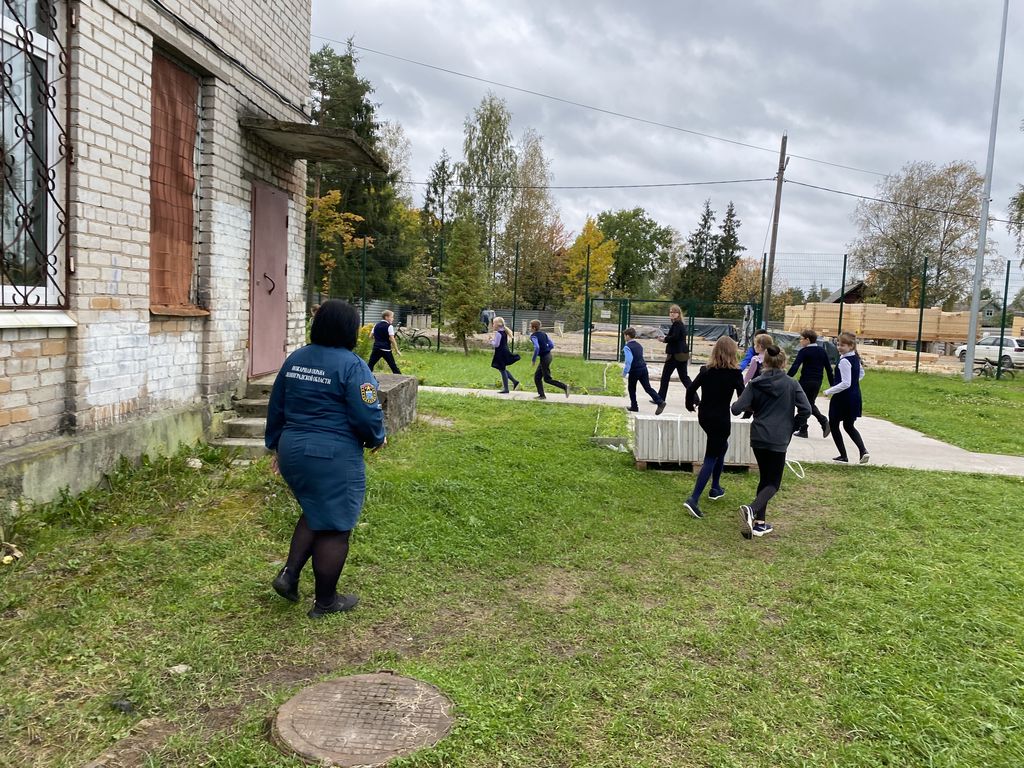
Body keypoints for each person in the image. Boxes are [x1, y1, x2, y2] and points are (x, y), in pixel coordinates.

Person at [265, 300, 387, 618]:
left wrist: (276, 447)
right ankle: (326, 601)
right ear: (349, 329)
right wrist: (377, 436)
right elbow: (366, 410)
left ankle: (289, 576)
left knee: (316, 508)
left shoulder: (296, 359)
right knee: (336, 526)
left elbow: (276, 405)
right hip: (331, 454)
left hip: (293, 448)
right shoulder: (353, 365)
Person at [731, 342, 811, 538]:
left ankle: (759, 523)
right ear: (783, 362)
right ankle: (751, 509)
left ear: (764, 362)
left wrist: (754, 408)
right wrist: (793, 425)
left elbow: (736, 408)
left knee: (765, 479)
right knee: (773, 483)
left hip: (758, 436)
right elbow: (806, 410)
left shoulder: (755, 383)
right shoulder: (792, 384)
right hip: (779, 437)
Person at [682, 336, 745, 519]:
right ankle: (693, 499)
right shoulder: (734, 374)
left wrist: (690, 404)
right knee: (711, 456)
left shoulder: (706, 370)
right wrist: (743, 410)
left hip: (705, 416)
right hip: (721, 419)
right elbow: (742, 398)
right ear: (733, 352)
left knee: (721, 447)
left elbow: (690, 388)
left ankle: (716, 488)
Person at [823, 332, 870, 464]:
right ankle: (863, 451)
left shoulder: (844, 361)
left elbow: (845, 383)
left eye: (842, 345)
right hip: (855, 396)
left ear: (851, 346)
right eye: (838, 344)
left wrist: (829, 391)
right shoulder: (855, 358)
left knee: (833, 424)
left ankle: (843, 455)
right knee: (849, 425)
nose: (839, 347)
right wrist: (855, 382)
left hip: (842, 398)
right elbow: (861, 373)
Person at [787, 329, 834, 438]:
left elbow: (795, 366)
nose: (800, 341)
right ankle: (804, 429)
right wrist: (832, 383)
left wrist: (786, 378)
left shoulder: (804, 351)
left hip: (806, 381)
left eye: (801, 339)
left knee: (804, 404)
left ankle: (822, 421)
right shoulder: (822, 351)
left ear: (807, 339)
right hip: (817, 381)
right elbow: (828, 368)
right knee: (809, 403)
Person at [623, 327, 666, 415]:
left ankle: (634, 406)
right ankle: (660, 401)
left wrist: (624, 373)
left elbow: (628, 361)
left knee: (631, 388)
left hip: (634, 370)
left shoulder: (627, 347)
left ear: (627, 336)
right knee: (647, 388)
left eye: (625, 335)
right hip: (643, 368)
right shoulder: (639, 345)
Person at [657, 304, 693, 402]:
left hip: (675, 355)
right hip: (682, 354)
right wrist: (665, 339)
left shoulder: (677, 324)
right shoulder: (679, 324)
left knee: (665, 377)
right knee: (684, 377)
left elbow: (675, 337)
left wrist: (664, 339)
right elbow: (675, 337)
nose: (672, 314)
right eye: (671, 312)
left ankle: (660, 398)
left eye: (675, 312)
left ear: (678, 314)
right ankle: (695, 399)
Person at [529, 319, 569, 399]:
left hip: (544, 358)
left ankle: (565, 387)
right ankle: (542, 395)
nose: (529, 328)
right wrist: (546, 350)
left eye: (530, 326)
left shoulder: (533, 336)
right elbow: (551, 344)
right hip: (549, 356)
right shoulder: (544, 334)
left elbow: (536, 347)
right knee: (537, 377)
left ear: (533, 328)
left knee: (547, 379)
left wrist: (533, 360)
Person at [490, 316, 521, 393]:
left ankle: (506, 389)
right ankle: (515, 382)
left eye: (493, 323)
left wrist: (491, 340)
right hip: (504, 351)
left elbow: (496, 344)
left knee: (502, 370)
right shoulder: (504, 331)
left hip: (500, 353)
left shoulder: (498, 333)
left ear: (498, 325)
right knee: (502, 369)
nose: (492, 325)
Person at [367, 310, 401, 374]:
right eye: (392, 317)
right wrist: (397, 350)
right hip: (386, 350)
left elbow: (370, 337)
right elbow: (392, 339)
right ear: (386, 317)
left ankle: (364, 378)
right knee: (393, 366)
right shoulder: (389, 326)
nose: (393, 319)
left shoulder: (376, 325)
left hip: (376, 348)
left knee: (370, 365)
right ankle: (401, 378)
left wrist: (378, 338)